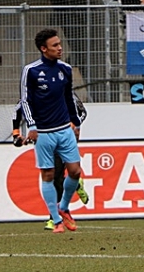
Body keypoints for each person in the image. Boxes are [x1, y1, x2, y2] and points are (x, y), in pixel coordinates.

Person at [20, 29, 84, 233]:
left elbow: (69, 99)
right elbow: (25, 101)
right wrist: (31, 125)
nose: (60, 48)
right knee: (48, 174)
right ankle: (56, 220)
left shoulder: (65, 69)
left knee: (75, 171)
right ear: (43, 48)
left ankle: (64, 207)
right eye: (55, 45)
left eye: (60, 44)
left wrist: (76, 123)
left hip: (64, 129)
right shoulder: (31, 70)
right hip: (44, 132)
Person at [13, 95, 90, 230]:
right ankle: (55, 217)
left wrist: (73, 124)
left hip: (63, 136)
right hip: (45, 137)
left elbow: (82, 112)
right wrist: (16, 133)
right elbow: (18, 109)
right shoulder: (32, 88)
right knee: (53, 176)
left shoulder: (63, 87)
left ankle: (56, 215)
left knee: (61, 176)